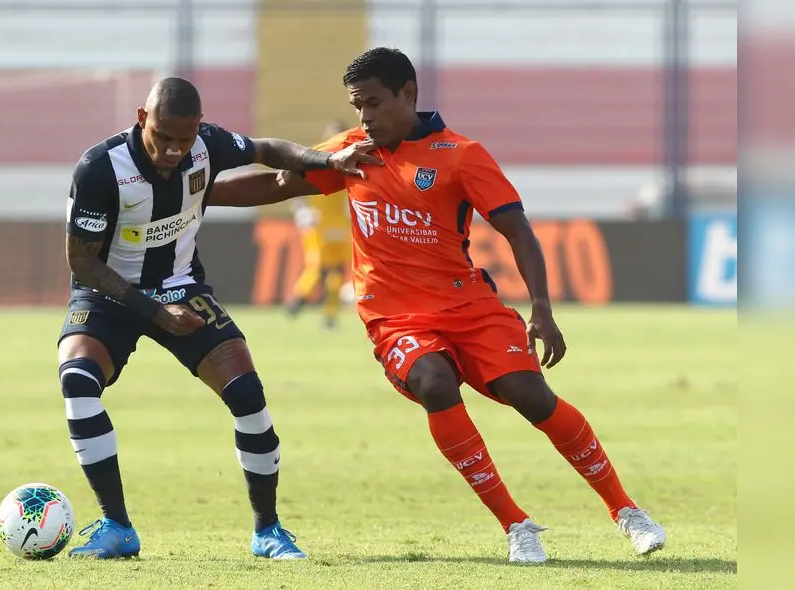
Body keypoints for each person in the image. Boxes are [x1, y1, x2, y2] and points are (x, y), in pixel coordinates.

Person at [207, 48, 666, 563]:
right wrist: (196, 192)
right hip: (395, 317)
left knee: (531, 396)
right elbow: (277, 183)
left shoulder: (461, 155)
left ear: (408, 94)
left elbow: (517, 228)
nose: (365, 117)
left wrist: (541, 307)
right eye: (358, 106)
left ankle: (626, 511)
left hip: (468, 304)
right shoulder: (354, 152)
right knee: (434, 382)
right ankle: (517, 525)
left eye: (374, 103)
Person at [58, 77, 377, 559]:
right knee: (78, 381)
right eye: (162, 137)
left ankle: (267, 530)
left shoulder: (206, 146)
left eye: (182, 140)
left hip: (181, 287)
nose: (172, 150)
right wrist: (151, 311)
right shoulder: (100, 169)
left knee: (248, 392)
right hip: (108, 293)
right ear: (142, 119)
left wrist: (326, 160)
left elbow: (267, 149)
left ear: (197, 130)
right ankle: (117, 527)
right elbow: (82, 262)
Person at [285, 121, 354, 330]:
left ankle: (329, 315)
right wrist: (301, 210)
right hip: (320, 223)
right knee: (317, 267)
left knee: (337, 272)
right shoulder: (314, 155)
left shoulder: (354, 159)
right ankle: (297, 300)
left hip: (342, 225)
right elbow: (290, 182)